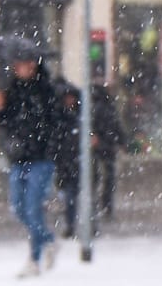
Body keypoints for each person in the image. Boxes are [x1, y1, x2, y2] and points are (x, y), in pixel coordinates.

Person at [0, 55, 60, 277]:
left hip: (41, 158)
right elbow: (5, 124)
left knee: (33, 209)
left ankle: (34, 259)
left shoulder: (45, 90)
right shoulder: (11, 91)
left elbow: (55, 121)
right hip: (18, 158)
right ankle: (48, 240)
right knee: (18, 207)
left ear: (33, 65)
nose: (18, 68)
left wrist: (48, 145)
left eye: (22, 64)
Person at [90, 82, 126, 221]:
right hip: (107, 147)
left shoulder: (93, 108)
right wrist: (121, 141)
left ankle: (96, 205)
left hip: (98, 147)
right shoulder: (109, 108)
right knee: (107, 178)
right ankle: (106, 205)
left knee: (96, 178)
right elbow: (116, 126)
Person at [53, 80, 85, 239]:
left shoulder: (80, 117)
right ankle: (70, 223)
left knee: (73, 195)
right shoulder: (60, 118)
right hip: (64, 162)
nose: (69, 101)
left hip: (76, 162)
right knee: (67, 195)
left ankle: (72, 224)